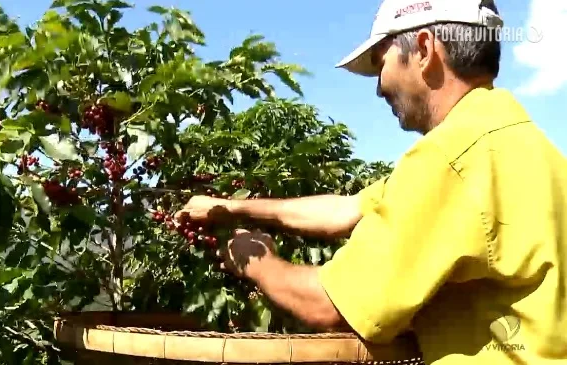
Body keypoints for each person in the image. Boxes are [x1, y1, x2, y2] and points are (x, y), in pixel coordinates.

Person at [175, 0, 567, 363]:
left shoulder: (450, 158)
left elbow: (330, 305)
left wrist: (255, 261)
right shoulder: (520, 143)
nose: (379, 86)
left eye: (382, 62)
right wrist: (227, 207)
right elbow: (344, 209)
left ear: (426, 50)